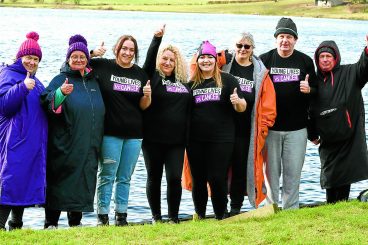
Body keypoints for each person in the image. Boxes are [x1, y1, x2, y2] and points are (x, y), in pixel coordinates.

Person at [41, 34, 105, 229]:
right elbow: (48, 102)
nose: (78, 60)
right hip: (64, 146)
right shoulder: (60, 79)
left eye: (82, 56)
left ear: (87, 59)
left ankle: (75, 226)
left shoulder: (94, 82)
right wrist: (61, 93)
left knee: (81, 184)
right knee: (59, 185)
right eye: (74, 56)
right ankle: (50, 224)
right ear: (68, 59)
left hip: (88, 146)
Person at [90, 34, 151, 226]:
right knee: (107, 174)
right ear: (117, 48)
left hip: (134, 135)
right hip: (109, 133)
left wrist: (147, 96)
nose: (127, 52)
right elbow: (73, 63)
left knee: (125, 177)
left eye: (132, 50)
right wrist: (92, 53)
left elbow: (143, 106)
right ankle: (102, 216)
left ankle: (121, 215)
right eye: (124, 48)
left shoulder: (140, 74)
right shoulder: (103, 65)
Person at [259, 17, 317, 209]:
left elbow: (317, 93)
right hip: (271, 129)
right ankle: (270, 209)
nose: (285, 40)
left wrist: (310, 90)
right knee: (270, 175)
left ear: (295, 40)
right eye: (281, 36)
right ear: (276, 38)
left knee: (293, 175)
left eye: (289, 37)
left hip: (297, 129)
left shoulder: (305, 61)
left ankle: (291, 210)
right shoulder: (264, 60)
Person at [185, 40, 246, 220]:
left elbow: (242, 107)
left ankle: (221, 215)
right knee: (199, 179)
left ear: (215, 60)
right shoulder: (191, 85)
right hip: (195, 140)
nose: (206, 61)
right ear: (197, 60)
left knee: (217, 178)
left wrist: (238, 102)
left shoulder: (228, 80)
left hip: (222, 139)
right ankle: (201, 215)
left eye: (209, 58)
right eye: (202, 57)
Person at [220, 32, 276, 214]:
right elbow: (197, 65)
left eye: (247, 46)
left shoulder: (260, 73)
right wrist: (221, 54)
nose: (242, 49)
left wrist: (262, 129)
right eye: (239, 45)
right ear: (233, 46)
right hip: (222, 128)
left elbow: (269, 106)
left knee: (239, 169)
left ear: (252, 49)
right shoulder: (224, 66)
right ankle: (218, 206)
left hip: (246, 130)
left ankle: (235, 208)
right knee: (218, 167)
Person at [308, 36, 368, 204]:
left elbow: (364, 66)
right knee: (329, 178)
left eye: (329, 56)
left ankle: (339, 208)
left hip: (349, 139)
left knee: (344, 178)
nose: (325, 60)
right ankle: (332, 206)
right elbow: (309, 110)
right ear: (317, 59)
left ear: (336, 58)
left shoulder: (350, 73)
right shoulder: (313, 81)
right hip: (327, 141)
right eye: (322, 56)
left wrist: (367, 50)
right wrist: (311, 134)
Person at [141, 25, 191, 224]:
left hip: (177, 141)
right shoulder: (151, 77)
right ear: (158, 60)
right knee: (154, 177)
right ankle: (156, 217)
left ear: (177, 62)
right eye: (165, 58)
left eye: (172, 59)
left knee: (173, 179)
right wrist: (156, 39)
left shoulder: (183, 83)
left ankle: (173, 217)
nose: (168, 62)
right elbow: (149, 58)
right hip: (152, 139)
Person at [0, 32, 48, 231]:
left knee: (24, 184)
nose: (32, 62)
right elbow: (4, 106)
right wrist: (21, 88)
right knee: (9, 183)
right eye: (29, 57)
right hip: (13, 142)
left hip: (31, 145)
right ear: (20, 57)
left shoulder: (37, 82)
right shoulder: (8, 75)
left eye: (36, 59)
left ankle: (16, 226)